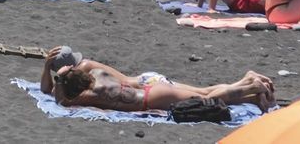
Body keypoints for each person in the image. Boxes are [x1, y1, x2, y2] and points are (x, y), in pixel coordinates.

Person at [40, 46, 275, 112]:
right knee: (204, 92)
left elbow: (60, 100)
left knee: (206, 99)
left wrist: (51, 71)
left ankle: (251, 87)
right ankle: (247, 84)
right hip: (150, 84)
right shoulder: (92, 72)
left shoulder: (87, 95)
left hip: (151, 96)